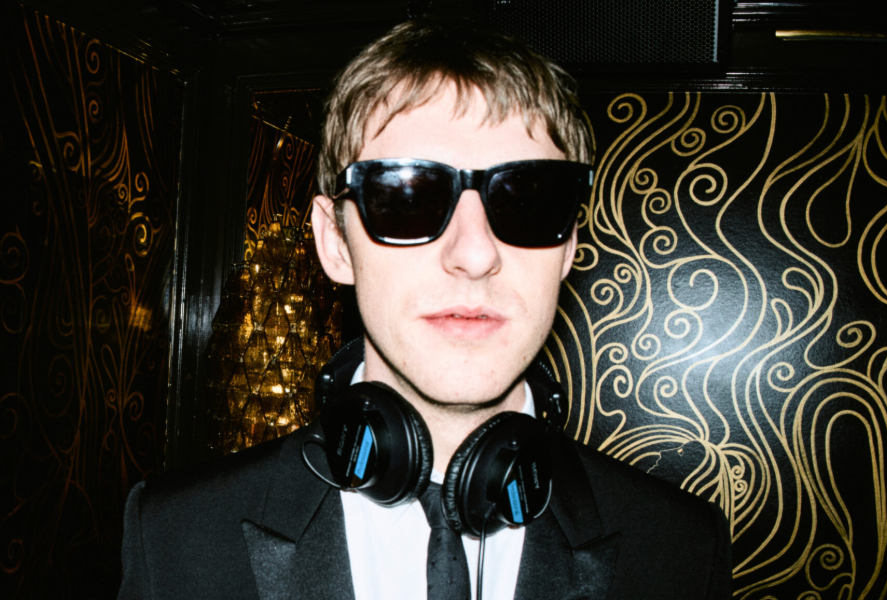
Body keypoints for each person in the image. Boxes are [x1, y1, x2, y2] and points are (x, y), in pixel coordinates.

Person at [119, 18, 732, 600]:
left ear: (569, 244)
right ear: (335, 242)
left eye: (527, 200)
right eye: (408, 196)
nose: (474, 254)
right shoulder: (177, 540)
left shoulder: (678, 551)